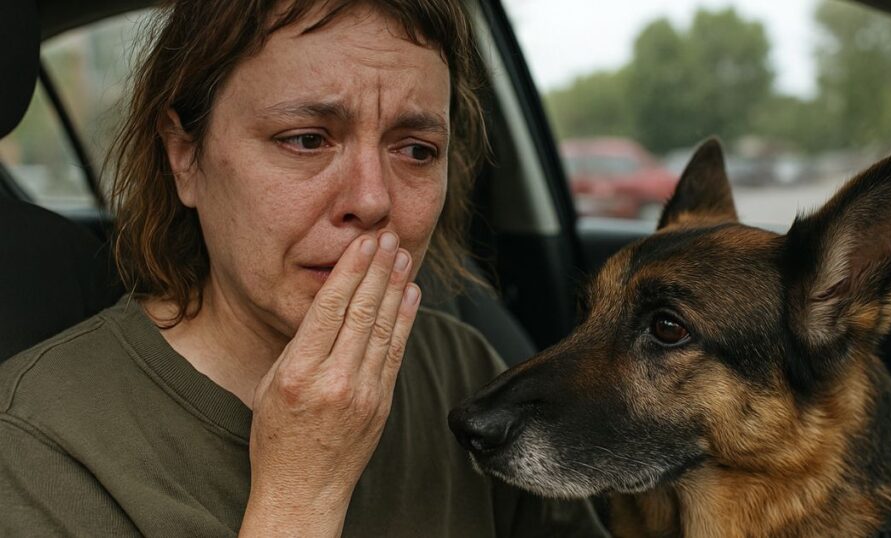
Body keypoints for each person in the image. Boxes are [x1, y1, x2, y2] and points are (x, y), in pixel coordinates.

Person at [0, 1, 607, 536]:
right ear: (184, 156)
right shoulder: (36, 445)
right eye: (306, 139)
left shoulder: (463, 369)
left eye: (416, 150)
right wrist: (300, 492)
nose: (372, 200)